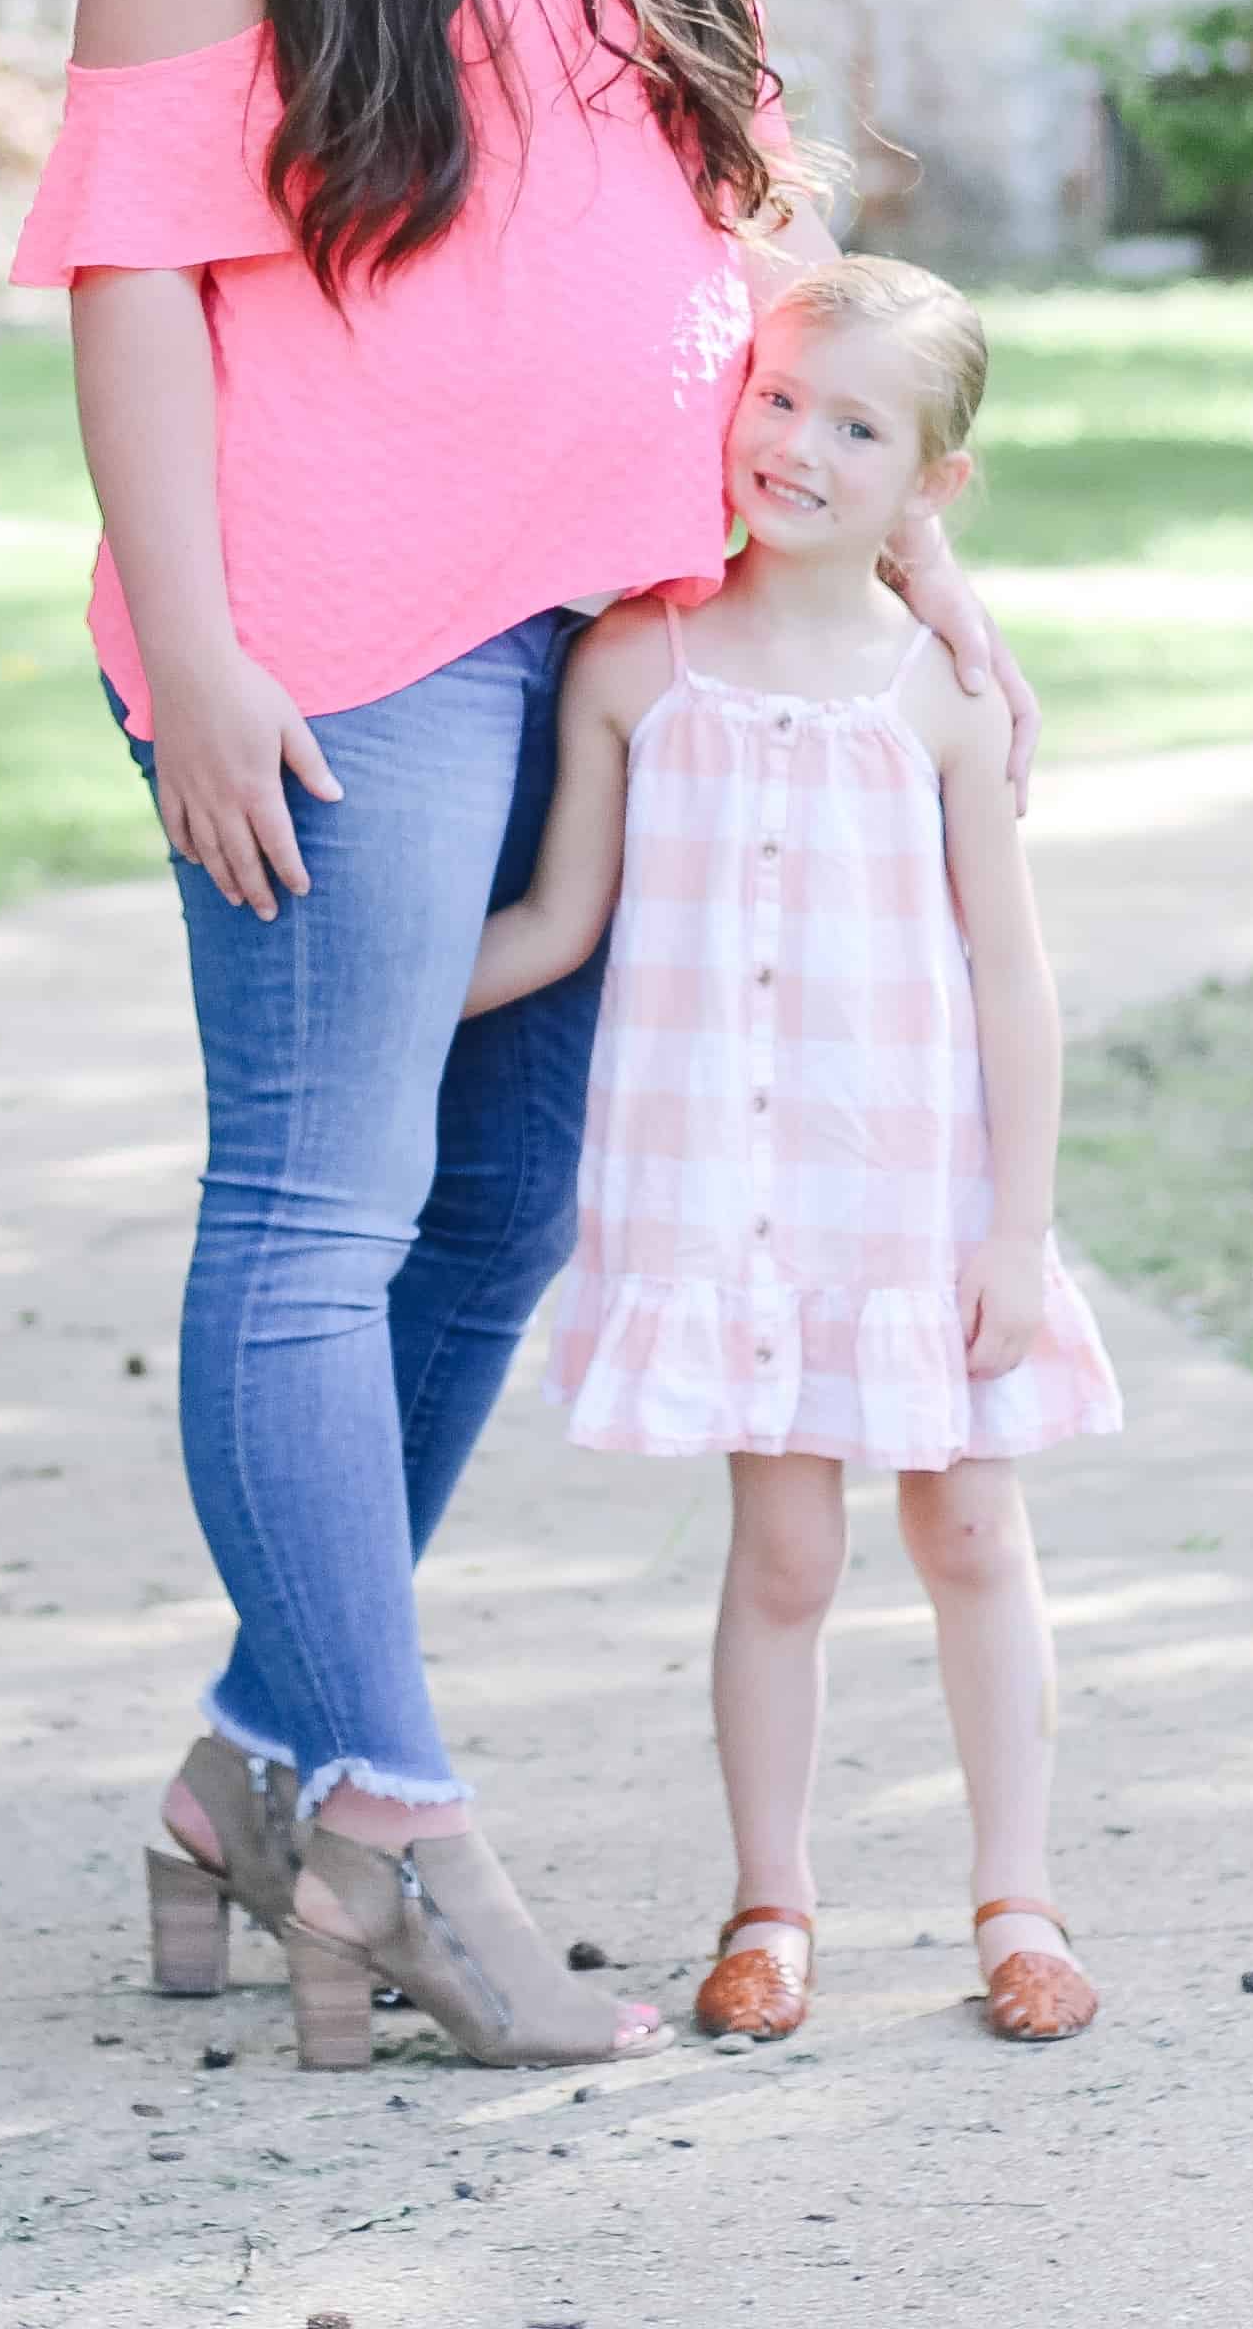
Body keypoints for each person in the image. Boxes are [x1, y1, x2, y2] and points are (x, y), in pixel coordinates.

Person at [9, 0, 1030, 2072]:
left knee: (505, 1209)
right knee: (320, 1212)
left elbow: (743, 235)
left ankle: (258, 1756)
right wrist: (194, 650)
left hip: (617, 623)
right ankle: (397, 1828)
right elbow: (129, 280)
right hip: (332, 646)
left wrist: (904, 540)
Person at [460, 256, 1122, 2055]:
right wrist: (386, 995)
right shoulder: (637, 664)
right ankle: (771, 1902)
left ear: (932, 488)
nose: (800, 445)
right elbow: (553, 923)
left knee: (971, 1527)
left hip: (912, 1198)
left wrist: (1020, 1233)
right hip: (731, 1208)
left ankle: (1019, 1900)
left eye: (858, 425)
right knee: (782, 1558)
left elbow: (1015, 978)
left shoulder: (943, 696)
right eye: (778, 398)